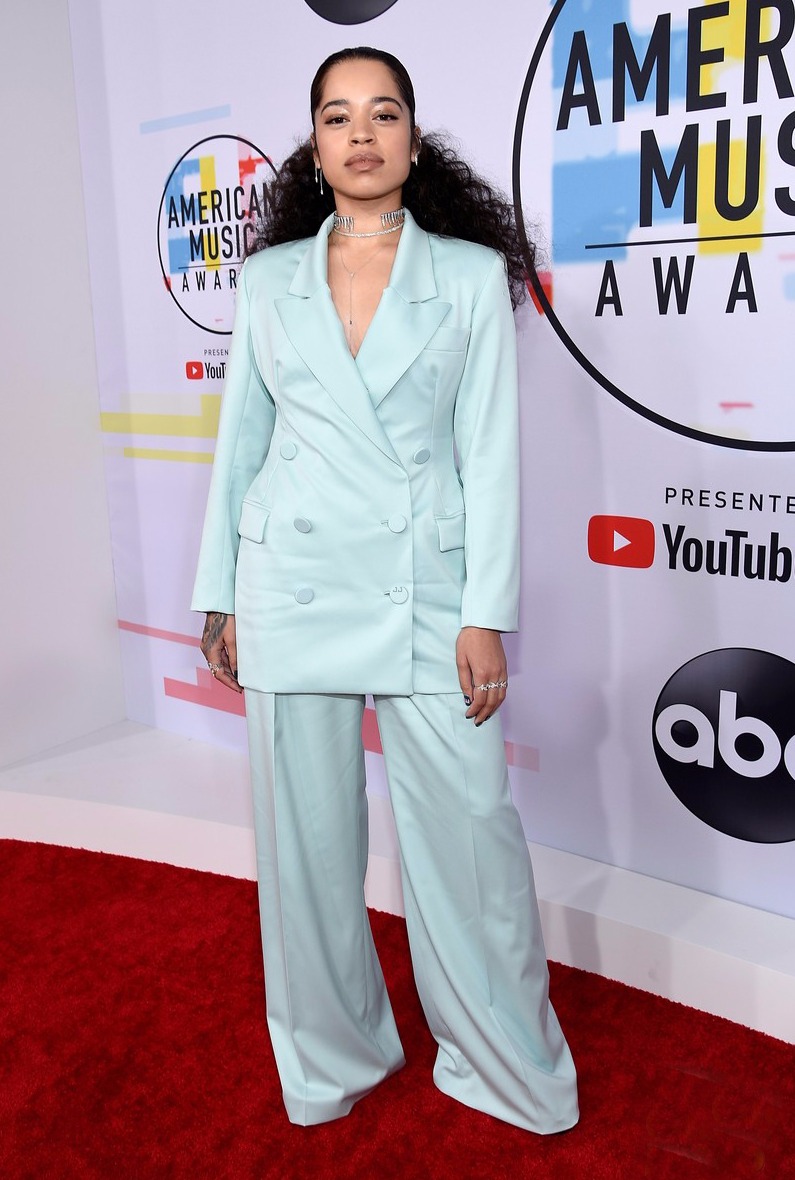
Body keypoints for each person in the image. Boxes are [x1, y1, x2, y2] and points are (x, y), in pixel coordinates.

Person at [192, 46, 578, 1133]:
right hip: (291, 583)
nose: (360, 134)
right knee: (306, 850)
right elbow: (241, 446)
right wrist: (220, 593)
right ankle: (333, 1056)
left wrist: (486, 614)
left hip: (428, 591)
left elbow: (488, 456)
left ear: (414, 135)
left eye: (382, 112)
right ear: (314, 146)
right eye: (337, 116)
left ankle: (502, 1062)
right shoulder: (267, 280)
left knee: (471, 836)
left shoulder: (469, 275)